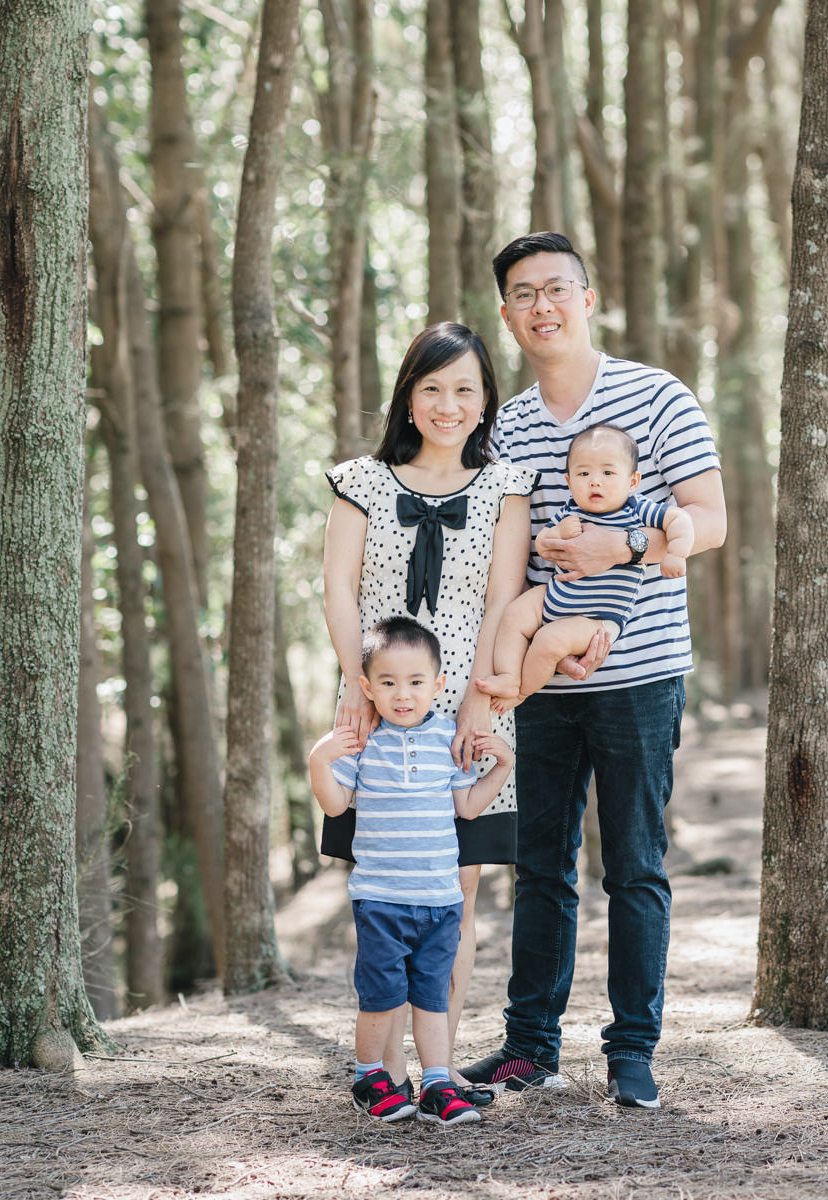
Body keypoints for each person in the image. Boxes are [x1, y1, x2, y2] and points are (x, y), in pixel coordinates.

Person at [465, 232, 727, 1110]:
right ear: (506, 314)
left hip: (640, 676)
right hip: (543, 685)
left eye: (556, 289)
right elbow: (505, 555)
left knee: (635, 867)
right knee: (541, 867)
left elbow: (711, 520)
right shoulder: (507, 425)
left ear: (586, 297)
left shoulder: (656, 395)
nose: (542, 306)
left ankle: (633, 1051)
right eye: (523, 295)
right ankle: (530, 1046)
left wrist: (626, 541)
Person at [321, 322, 536, 1103]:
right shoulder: (361, 481)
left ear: (486, 404)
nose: (449, 405)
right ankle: (388, 1071)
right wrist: (356, 685)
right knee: (384, 885)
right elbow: (338, 590)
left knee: (460, 887)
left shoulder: (507, 488)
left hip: (470, 709)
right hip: (380, 703)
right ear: (410, 398)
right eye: (433, 387)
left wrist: (479, 702)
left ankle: (439, 1071)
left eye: (465, 390)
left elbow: (503, 602)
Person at [309, 616, 515, 1125]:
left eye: (416, 682)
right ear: (367, 688)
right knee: (381, 999)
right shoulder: (362, 743)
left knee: (432, 999)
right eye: (388, 682)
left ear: (439, 684)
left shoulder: (449, 738)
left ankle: (438, 1085)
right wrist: (318, 761)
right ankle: (369, 1077)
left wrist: (504, 766)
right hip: (381, 899)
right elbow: (336, 806)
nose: (403, 694)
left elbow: (466, 807)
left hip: (441, 900)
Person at [478, 422, 694, 709]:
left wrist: (676, 553)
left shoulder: (635, 509)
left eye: (607, 472)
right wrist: (554, 536)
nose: (595, 481)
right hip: (554, 596)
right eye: (584, 473)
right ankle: (507, 674)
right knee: (515, 614)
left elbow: (680, 519)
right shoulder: (569, 511)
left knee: (548, 641)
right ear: (569, 482)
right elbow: (542, 543)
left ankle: (520, 692)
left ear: (632, 481)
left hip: (596, 619)